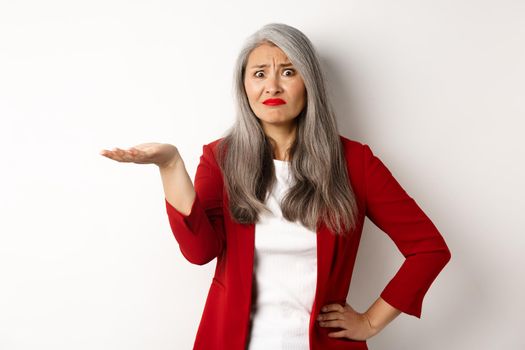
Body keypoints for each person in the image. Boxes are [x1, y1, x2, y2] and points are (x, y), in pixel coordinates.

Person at [100, 23, 451, 350]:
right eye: (259, 74)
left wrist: (371, 321)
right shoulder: (220, 158)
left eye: (288, 71)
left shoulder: (354, 162)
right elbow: (199, 251)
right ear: (245, 87)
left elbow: (428, 249)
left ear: (309, 82)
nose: (272, 86)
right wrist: (170, 165)